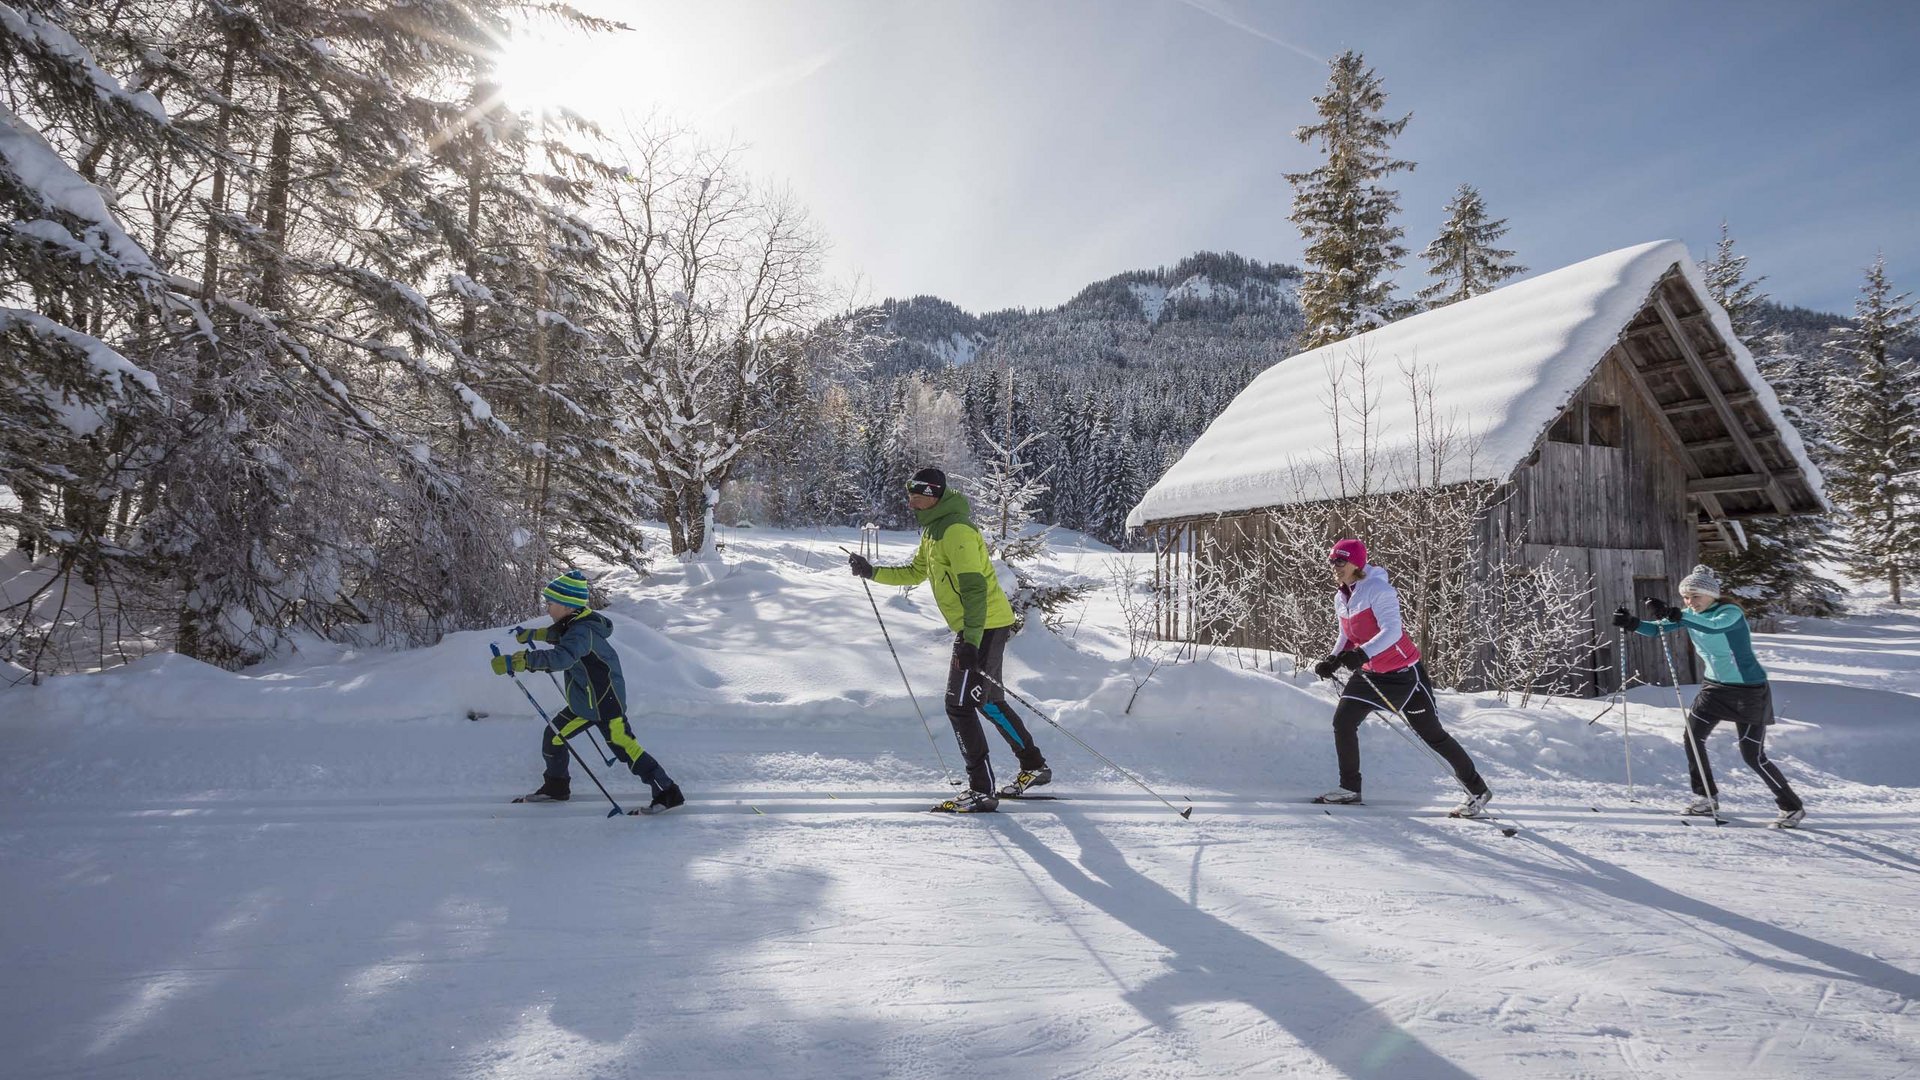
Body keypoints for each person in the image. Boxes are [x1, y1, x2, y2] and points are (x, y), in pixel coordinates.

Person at [849, 467, 1050, 813]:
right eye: (909, 493)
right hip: (983, 625)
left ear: (935, 495)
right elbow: (915, 572)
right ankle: (1033, 766)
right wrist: (872, 572)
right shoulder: (933, 530)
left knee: (958, 706)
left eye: (918, 494)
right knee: (987, 702)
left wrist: (970, 642)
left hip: (981, 626)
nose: (911, 500)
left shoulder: (955, 530)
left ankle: (981, 790)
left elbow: (974, 590)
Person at [1309, 538, 1492, 816]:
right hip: (1371, 673)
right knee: (1343, 722)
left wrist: (1362, 654)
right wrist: (1333, 659)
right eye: (1332, 561)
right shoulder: (1341, 596)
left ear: (1356, 562)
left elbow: (1393, 631)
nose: (1335, 566)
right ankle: (1350, 788)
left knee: (1432, 735)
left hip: (1404, 674)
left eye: (1340, 561)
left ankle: (1477, 789)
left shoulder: (1378, 590)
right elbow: (1346, 634)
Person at [1613, 564, 1805, 827]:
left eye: (1695, 596)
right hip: (1714, 688)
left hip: (1748, 690)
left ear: (1711, 595)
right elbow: (1655, 629)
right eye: (1686, 597)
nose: (1690, 602)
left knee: (1752, 756)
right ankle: (1705, 798)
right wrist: (1632, 623)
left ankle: (1791, 807)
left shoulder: (1730, 612)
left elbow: (1714, 627)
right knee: (1692, 738)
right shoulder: (1690, 613)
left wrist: (1677, 614)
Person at [492, 569, 685, 814]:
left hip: (605, 703)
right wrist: (533, 635)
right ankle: (556, 788)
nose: (547, 608)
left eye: (550, 604)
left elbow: (563, 656)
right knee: (553, 737)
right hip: (583, 703)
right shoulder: (574, 623)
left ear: (567, 605)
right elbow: (558, 634)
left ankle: (667, 793)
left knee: (626, 748)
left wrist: (522, 661)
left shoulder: (581, 631)